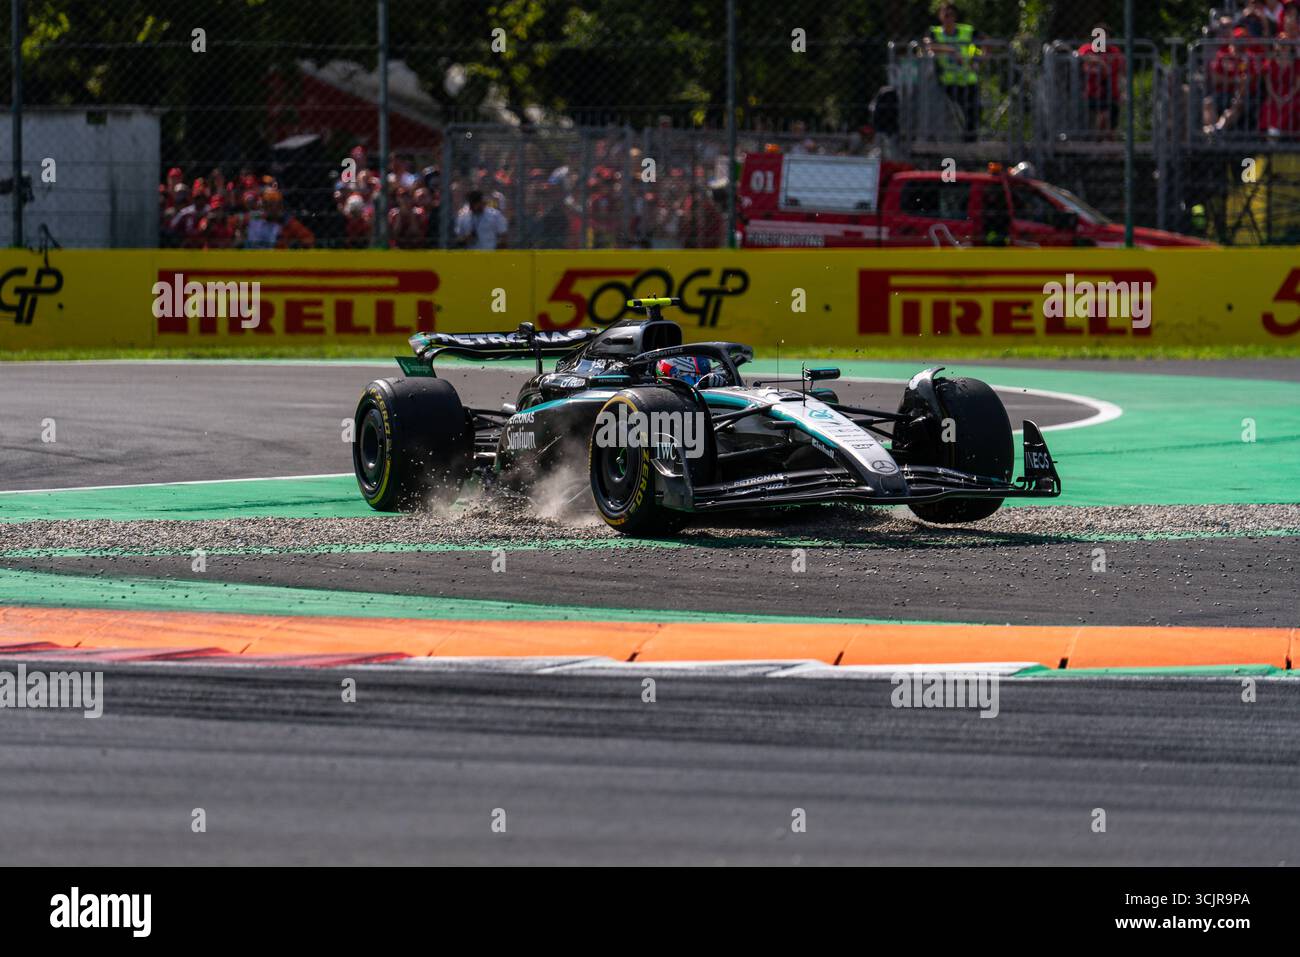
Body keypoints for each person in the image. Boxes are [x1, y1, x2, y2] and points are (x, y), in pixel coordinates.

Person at [925, 3, 983, 142]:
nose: (948, 19)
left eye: (951, 15)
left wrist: (978, 61)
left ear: (955, 17)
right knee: (954, 112)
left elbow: (986, 41)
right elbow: (929, 46)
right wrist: (951, 50)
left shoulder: (967, 31)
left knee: (974, 110)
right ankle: (952, 138)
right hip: (948, 80)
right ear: (940, 16)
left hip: (968, 79)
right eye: (945, 15)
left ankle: (970, 141)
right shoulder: (935, 32)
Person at [1077, 23, 1126, 137]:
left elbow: (1121, 73)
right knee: (1102, 117)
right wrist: (1099, 62)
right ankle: (1097, 142)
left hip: (1111, 94)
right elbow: (1083, 58)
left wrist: (1123, 92)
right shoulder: (1087, 49)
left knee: (1111, 129)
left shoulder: (1114, 52)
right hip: (1092, 95)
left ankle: (1108, 147)